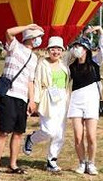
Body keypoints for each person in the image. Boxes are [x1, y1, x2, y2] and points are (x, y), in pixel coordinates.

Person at [0, 24, 42, 180]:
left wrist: (32, 101)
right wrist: (29, 25)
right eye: (38, 37)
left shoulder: (34, 58)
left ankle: (13, 164)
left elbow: (30, 80)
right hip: (8, 94)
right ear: (31, 38)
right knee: (4, 131)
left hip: (22, 97)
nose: (39, 40)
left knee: (18, 132)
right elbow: (8, 31)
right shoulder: (15, 47)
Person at [66, 25, 103, 175]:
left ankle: (91, 163)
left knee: (91, 136)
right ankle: (81, 162)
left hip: (91, 101)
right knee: (78, 136)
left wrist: (100, 31)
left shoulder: (95, 63)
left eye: (80, 46)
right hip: (76, 102)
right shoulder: (71, 66)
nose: (77, 49)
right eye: (75, 46)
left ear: (86, 49)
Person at [23, 36, 70, 173]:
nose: (56, 52)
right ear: (48, 50)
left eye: (58, 49)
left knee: (60, 133)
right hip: (47, 98)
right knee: (49, 130)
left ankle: (52, 160)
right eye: (53, 49)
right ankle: (31, 139)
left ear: (62, 51)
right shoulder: (42, 64)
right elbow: (37, 83)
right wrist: (34, 102)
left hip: (62, 100)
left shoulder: (64, 64)